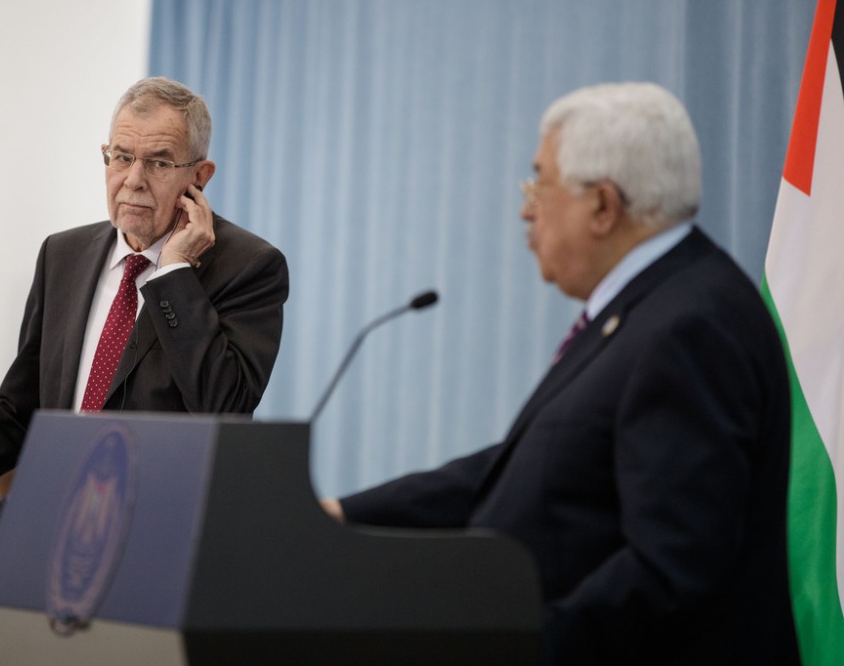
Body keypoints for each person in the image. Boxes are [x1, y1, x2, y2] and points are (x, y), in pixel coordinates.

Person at [322, 83, 799, 664]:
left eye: (538, 183)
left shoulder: (689, 325)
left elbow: (670, 568)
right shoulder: (648, 308)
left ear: (603, 205)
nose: (526, 208)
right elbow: (532, 469)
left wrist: (517, 646)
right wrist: (347, 515)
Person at [0, 77, 289, 497]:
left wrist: (174, 275)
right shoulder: (64, 255)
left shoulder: (248, 267)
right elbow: (16, 420)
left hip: (165, 532)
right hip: (57, 518)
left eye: (158, 162)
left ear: (199, 176)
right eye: (121, 156)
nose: (133, 179)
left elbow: (225, 410)